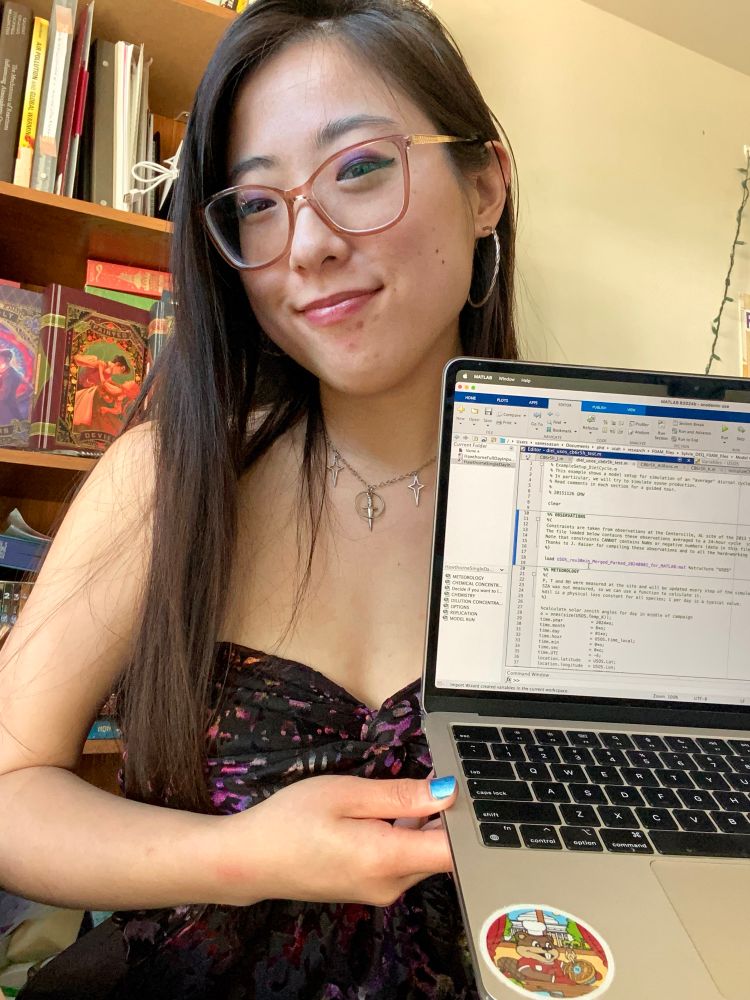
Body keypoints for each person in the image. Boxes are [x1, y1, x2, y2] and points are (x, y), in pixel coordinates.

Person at [1, 0, 518, 996]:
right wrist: (251, 852)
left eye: (360, 168)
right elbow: (9, 787)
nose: (308, 245)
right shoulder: (173, 480)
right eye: (257, 203)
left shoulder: (571, 503)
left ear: (486, 182)